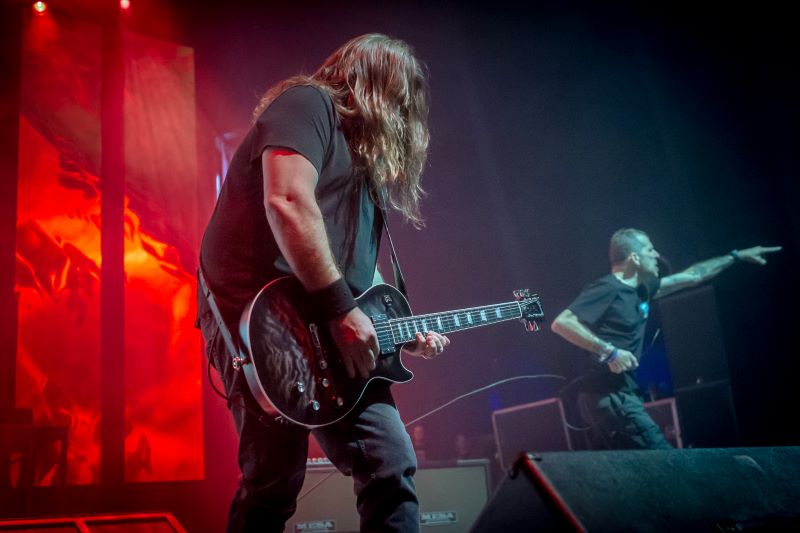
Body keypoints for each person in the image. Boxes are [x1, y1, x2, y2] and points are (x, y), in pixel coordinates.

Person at [196, 34, 450, 532]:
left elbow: (358, 271)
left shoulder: (365, 169)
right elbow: (288, 201)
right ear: (373, 85)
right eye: (402, 98)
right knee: (273, 483)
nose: (407, 116)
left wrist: (393, 326)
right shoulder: (307, 104)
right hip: (261, 318)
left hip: (330, 326)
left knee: (390, 464)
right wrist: (340, 310)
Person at [551, 228, 780, 450]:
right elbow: (562, 322)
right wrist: (610, 352)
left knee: (630, 470)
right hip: (607, 395)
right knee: (662, 459)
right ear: (634, 258)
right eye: (650, 250)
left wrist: (736, 256)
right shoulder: (608, 288)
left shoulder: (642, 291)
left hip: (618, 394)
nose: (657, 255)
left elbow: (694, 276)